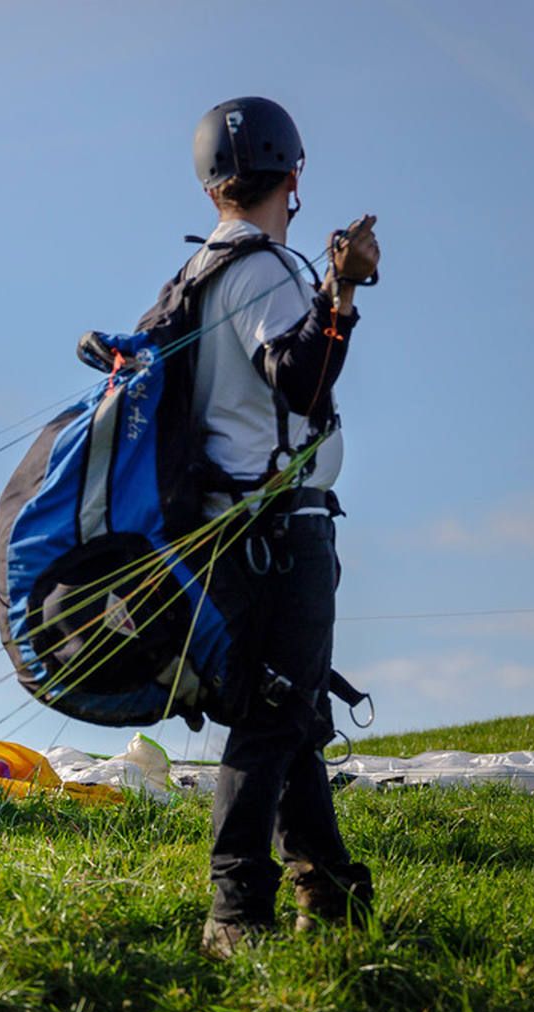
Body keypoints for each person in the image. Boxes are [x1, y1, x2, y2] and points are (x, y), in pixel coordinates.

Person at [180, 98, 381, 957]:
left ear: (211, 185)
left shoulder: (197, 273)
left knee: (289, 710)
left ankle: (329, 891)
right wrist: (338, 289)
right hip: (276, 533)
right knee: (274, 717)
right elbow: (299, 380)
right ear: (293, 177)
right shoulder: (263, 271)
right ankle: (236, 916)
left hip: (231, 527)